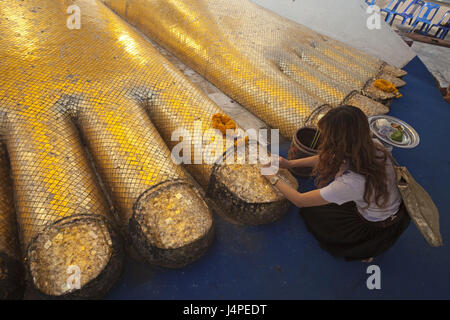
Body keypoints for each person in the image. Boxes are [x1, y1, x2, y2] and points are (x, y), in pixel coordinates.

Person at [262, 105, 410, 262]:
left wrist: (271, 177)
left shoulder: (352, 183)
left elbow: (299, 200)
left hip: (376, 225)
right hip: (385, 203)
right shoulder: (373, 146)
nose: (323, 139)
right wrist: (289, 164)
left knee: (313, 214)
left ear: (337, 141)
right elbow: (328, 158)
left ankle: (365, 249)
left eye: (326, 135)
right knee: (324, 204)